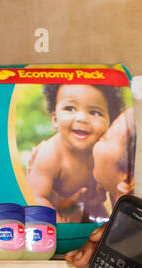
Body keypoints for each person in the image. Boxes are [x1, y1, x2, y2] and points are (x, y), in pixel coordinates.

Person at [25, 83, 122, 222]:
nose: (81, 118)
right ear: (55, 119)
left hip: (92, 209)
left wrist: (117, 222)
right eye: (70, 108)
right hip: (55, 210)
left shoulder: (106, 153)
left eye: (95, 112)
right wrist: (60, 226)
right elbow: (37, 196)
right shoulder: (51, 154)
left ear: (109, 122)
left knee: (106, 230)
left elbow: (116, 191)